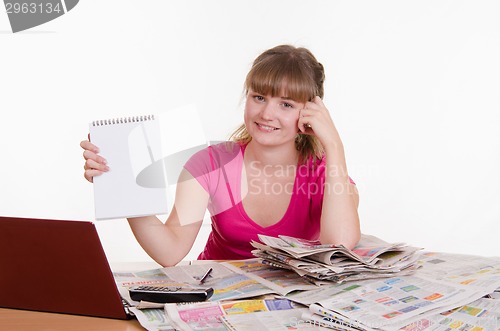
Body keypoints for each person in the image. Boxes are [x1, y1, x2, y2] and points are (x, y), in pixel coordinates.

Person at [81, 45, 360, 267]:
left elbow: (339, 247)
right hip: (218, 300)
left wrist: (334, 144)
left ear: (310, 112)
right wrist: (124, 187)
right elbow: (170, 250)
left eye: (286, 104)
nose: (266, 114)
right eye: (259, 97)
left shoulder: (325, 171)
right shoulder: (210, 163)